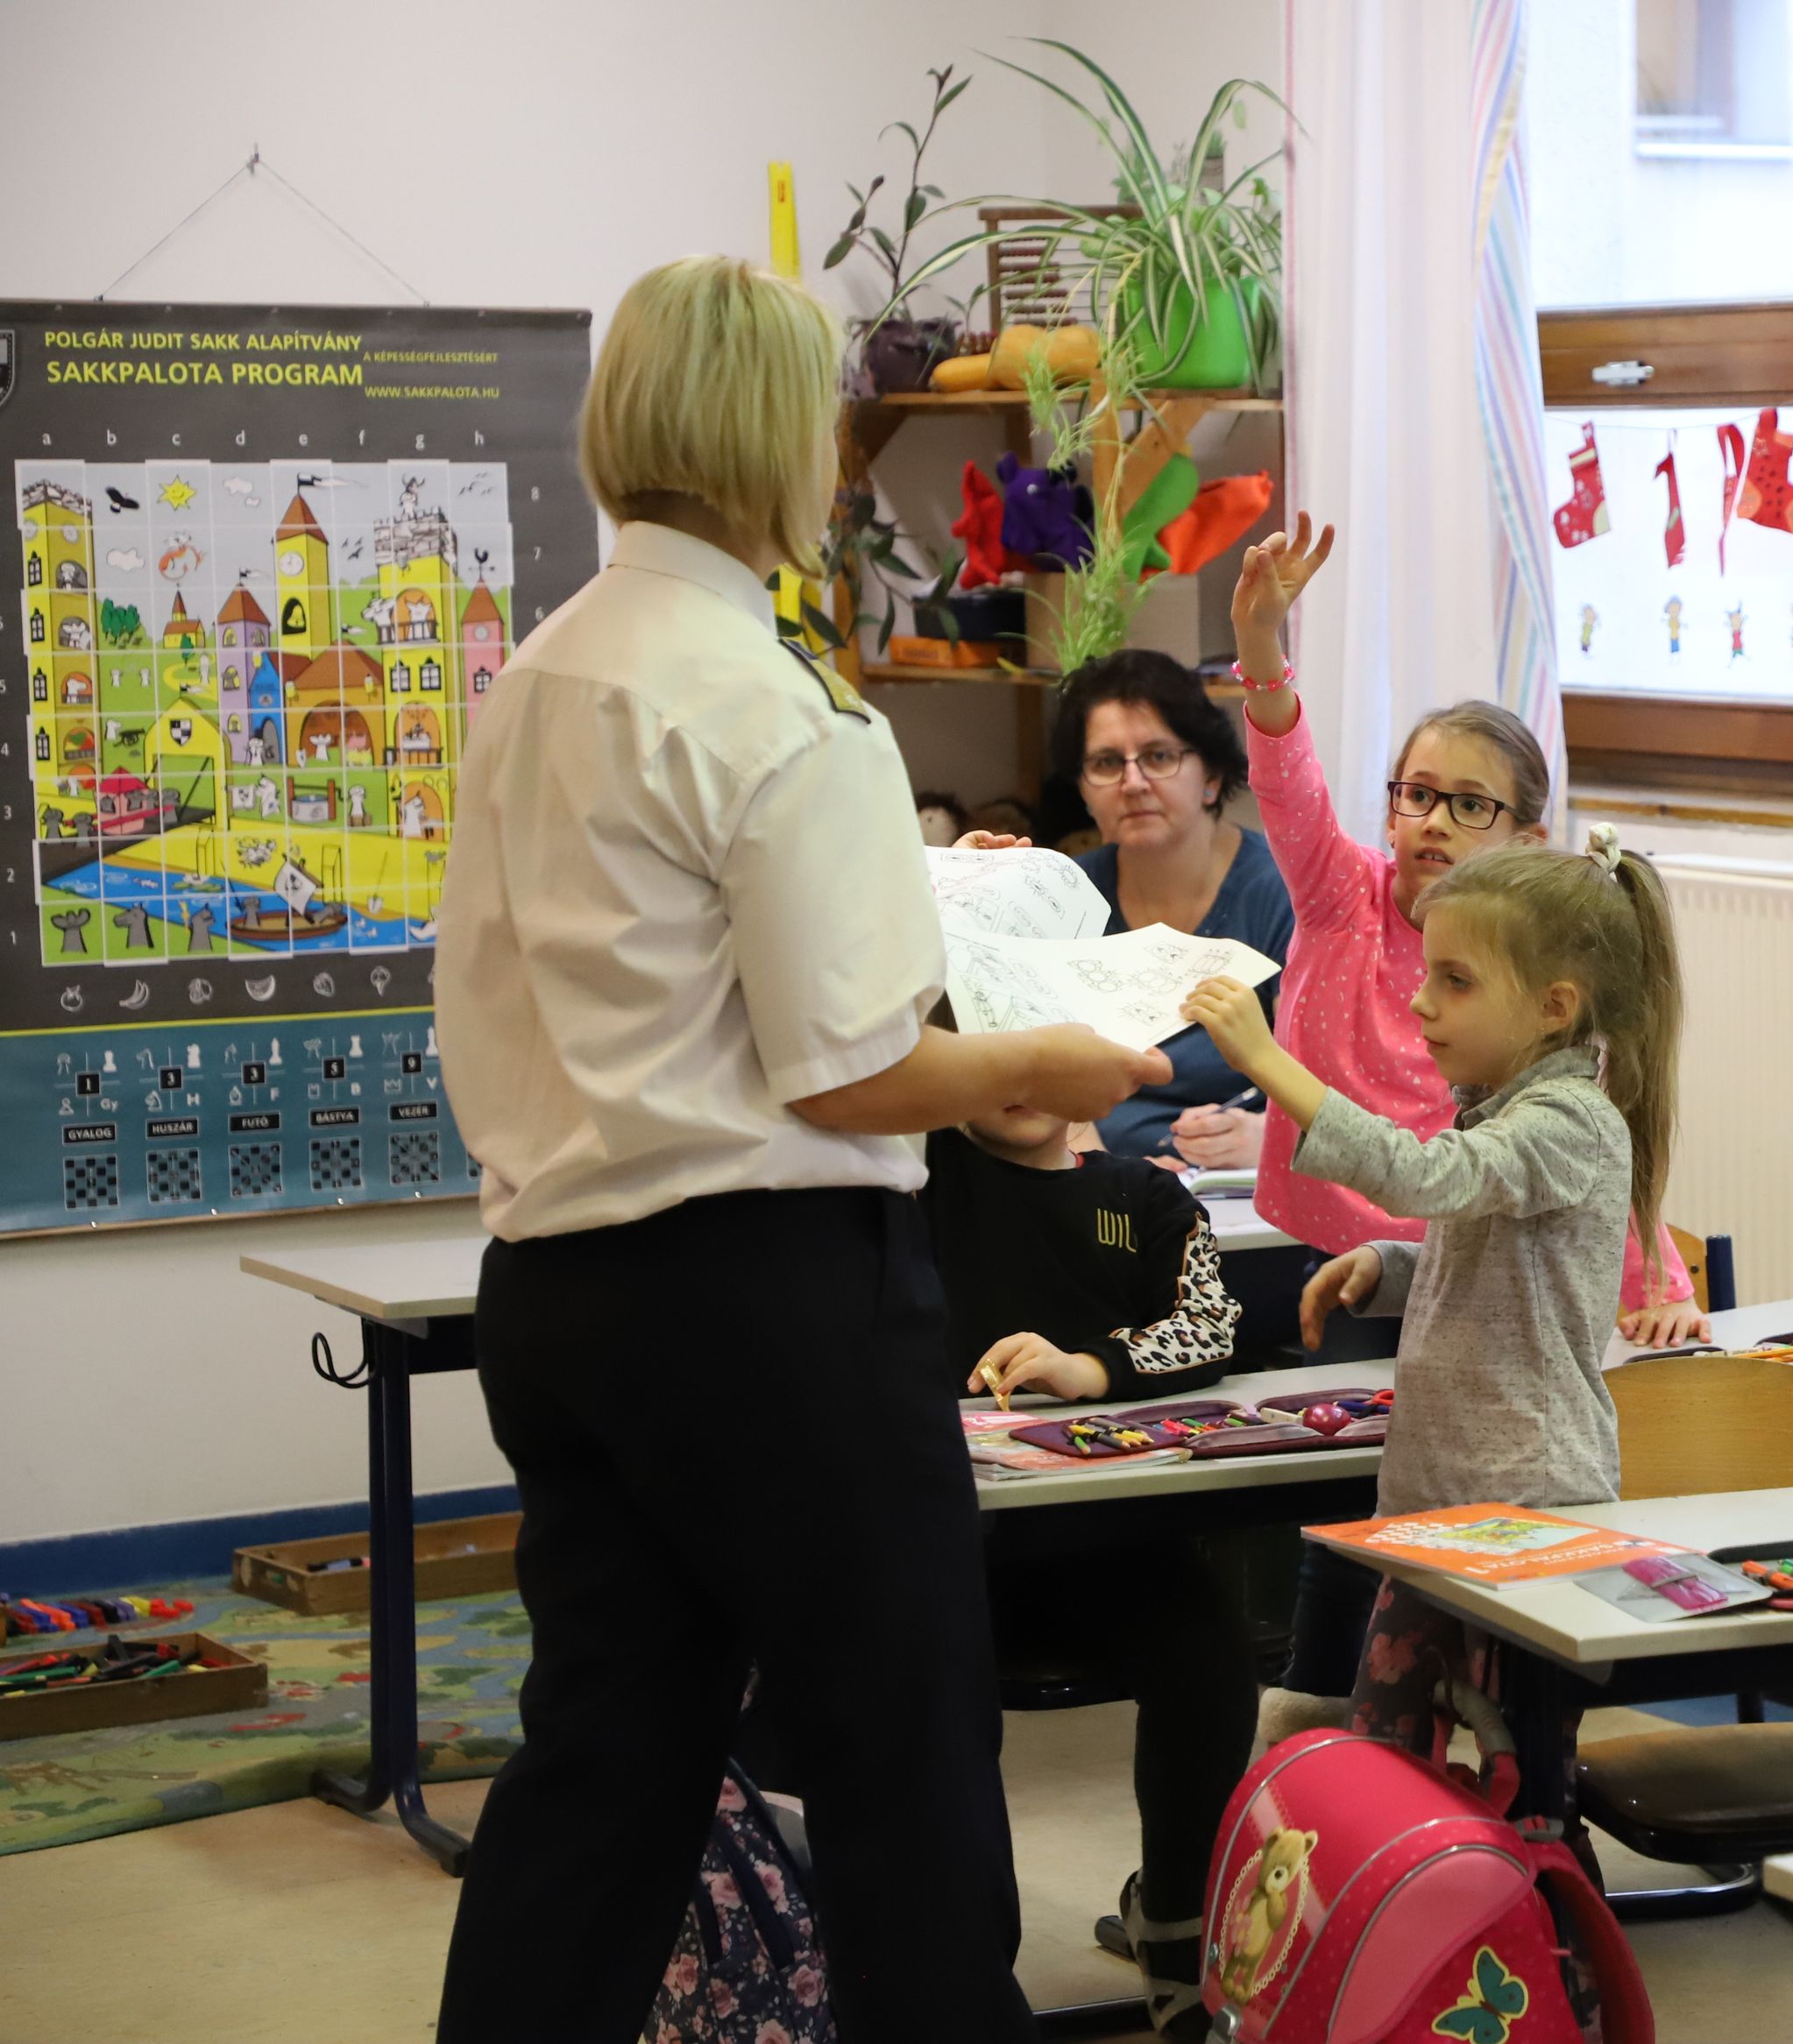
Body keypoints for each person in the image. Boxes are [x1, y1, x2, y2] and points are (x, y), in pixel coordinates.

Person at [431, 254, 1161, 2044]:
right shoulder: (779, 704)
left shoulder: (532, 680)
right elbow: (852, 1071)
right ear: (783, 440)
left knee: (605, 1762)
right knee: (904, 1753)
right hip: (766, 1303)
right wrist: (1043, 1058)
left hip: (556, 1283)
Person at [1222, 518, 1700, 1724]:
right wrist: (1261, 644)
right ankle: (1322, 1729)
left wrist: (1661, 1275)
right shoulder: (1346, 894)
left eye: (1466, 803)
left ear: (1526, 837)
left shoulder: (1556, 1090)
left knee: (1500, 1716)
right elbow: (1286, 778)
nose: (1430, 820)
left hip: (1504, 1455)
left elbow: (1515, 1183)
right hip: (1380, 1300)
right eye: (1414, 793)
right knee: (1361, 1608)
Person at [1181, 825, 1682, 1774]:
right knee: (1385, 1757)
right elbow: (1497, 1264)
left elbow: (1421, 1176)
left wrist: (1267, 1060)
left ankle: (1535, 1877)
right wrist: (1390, 1267)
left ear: (1553, 1006)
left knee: (1521, 1778)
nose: (1420, 1001)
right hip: (1439, 1497)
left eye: (1454, 980)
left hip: (1527, 1509)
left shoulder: (1569, 1121)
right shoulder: (1506, 1108)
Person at [920, 1085, 1252, 2044]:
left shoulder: (1145, 1198)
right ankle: (960, 1966)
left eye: (1047, 1047)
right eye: (999, 1050)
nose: (1023, 1080)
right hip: (956, 1552)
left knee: (1211, 1657)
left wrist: (1091, 1366)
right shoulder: (918, 1177)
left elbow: (1210, 1323)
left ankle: (1177, 1925)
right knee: (924, 1695)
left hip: (1113, 1549)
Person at [1054, 650, 1295, 1168]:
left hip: (1243, 1190)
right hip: (1098, 1187)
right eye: (1106, 763)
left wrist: (1271, 1137)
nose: (1133, 782)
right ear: (1084, 791)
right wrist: (1105, 1176)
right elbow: (1043, 1082)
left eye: (1159, 756)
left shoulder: (1282, 896)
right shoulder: (1064, 897)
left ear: (1211, 776)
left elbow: (1326, 1086)